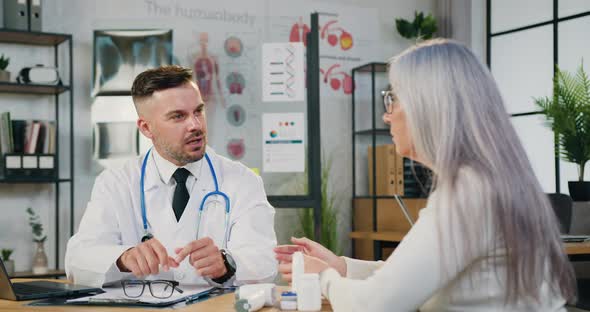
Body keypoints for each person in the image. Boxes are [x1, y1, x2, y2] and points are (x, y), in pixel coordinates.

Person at [275, 39, 576, 311]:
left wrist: (324, 278)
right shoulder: (488, 180)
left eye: (393, 99)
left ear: (429, 106)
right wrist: (341, 267)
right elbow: (413, 276)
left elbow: (376, 305)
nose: (386, 115)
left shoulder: (468, 192)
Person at [66, 65, 277, 288]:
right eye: (178, 116)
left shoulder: (242, 181)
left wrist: (227, 264)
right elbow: (77, 261)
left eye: (198, 111)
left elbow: (265, 261)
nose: (195, 125)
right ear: (146, 128)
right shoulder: (116, 182)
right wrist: (123, 258)